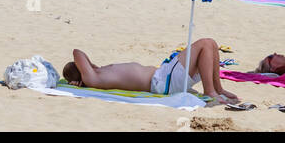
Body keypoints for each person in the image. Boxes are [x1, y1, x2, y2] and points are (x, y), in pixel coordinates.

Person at [62, 41, 239, 102]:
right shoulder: (92, 79)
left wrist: (93, 66)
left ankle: (218, 89)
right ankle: (210, 92)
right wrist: (88, 69)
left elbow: (80, 56)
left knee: (211, 44)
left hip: (164, 76)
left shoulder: (96, 74)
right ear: (81, 70)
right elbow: (77, 52)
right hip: (162, 82)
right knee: (205, 43)